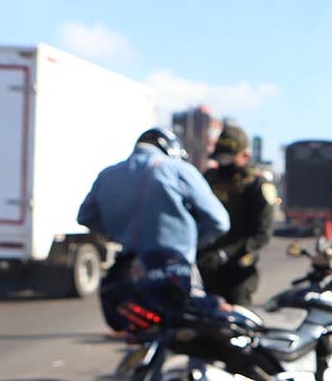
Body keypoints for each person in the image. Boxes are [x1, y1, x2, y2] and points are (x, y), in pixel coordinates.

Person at [77, 127, 230, 332]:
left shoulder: (108, 174)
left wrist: (119, 231)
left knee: (139, 334)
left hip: (127, 270)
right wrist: (192, 242)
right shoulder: (178, 170)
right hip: (173, 270)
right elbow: (219, 221)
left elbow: (85, 216)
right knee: (187, 331)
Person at [198, 121, 277, 306]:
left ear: (244, 156)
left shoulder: (256, 185)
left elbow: (262, 234)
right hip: (205, 267)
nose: (223, 163)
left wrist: (225, 254)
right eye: (221, 157)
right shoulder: (208, 179)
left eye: (228, 157)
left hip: (237, 272)